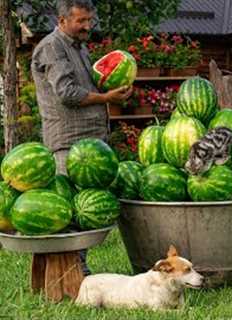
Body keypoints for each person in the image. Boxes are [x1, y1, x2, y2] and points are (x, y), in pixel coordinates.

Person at [31, 0, 132, 274]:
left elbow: (87, 87)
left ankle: (78, 269)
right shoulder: (52, 47)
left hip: (89, 143)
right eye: (81, 21)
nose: (88, 26)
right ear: (63, 20)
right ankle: (72, 273)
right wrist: (105, 98)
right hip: (68, 142)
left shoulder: (80, 47)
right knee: (69, 212)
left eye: (89, 20)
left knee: (84, 210)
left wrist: (116, 91)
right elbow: (67, 93)